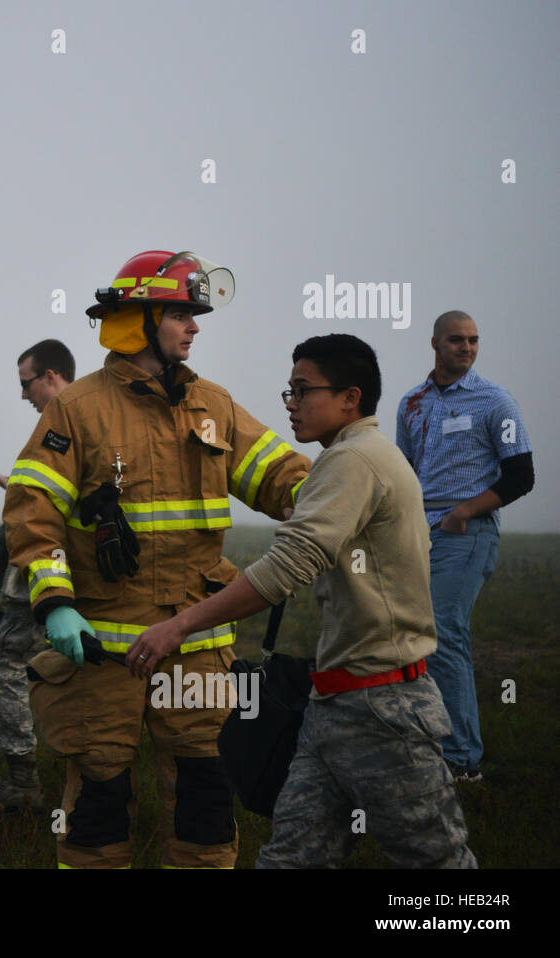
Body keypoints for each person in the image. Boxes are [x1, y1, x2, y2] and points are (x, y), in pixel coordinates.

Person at [4, 250, 310, 869]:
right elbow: (32, 512)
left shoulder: (214, 406)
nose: (195, 327)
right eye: (181, 314)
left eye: (196, 316)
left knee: (206, 800)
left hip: (196, 646)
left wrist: (349, 491)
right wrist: (57, 603)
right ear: (141, 318)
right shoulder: (77, 409)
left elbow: (284, 479)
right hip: (102, 654)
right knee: (97, 803)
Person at [131, 333, 477, 868]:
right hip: (334, 701)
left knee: (436, 862)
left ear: (349, 398)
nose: (290, 404)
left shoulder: (355, 462)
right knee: (293, 858)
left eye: (302, 390)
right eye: (288, 391)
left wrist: (179, 627)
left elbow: (286, 568)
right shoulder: (350, 460)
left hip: (382, 709)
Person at [396, 311, 532, 783]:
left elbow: (521, 476)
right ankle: (423, 740)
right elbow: (405, 476)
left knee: (443, 631)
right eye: (457, 340)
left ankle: (461, 761)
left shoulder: (495, 401)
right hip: (418, 532)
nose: (467, 348)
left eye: (474, 340)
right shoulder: (411, 404)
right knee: (411, 634)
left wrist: (464, 512)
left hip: (467, 532)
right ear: (435, 343)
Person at [0, 340, 73, 813]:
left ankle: (23, 786)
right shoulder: (75, 418)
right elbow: (53, 493)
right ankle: (90, 771)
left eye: (26, 383)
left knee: (2, 660)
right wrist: (2, 482)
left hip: (51, 571)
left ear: (49, 376)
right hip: (68, 570)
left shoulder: (67, 422)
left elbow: (64, 505)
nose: (23, 395)